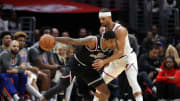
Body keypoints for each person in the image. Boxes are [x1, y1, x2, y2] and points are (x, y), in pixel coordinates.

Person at [41, 31, 117, 101]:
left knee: (106, 92)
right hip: (75, 64)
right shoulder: (92, 41)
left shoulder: (111, 48)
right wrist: (54, 38)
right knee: (61, 87)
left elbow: (110, 61)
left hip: (88, 68)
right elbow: (71, 40)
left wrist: (103, 63)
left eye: (114, 41)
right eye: (111, 42)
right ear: (104, 40)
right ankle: (42, 99)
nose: (113, 44)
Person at [92, 8, 143, 101]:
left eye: (103, 19)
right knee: (100, 86)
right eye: (100, 19)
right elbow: (104, 49)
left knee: (133, 82)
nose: (101, 21)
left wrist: (104, 61)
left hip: (127, 58)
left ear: (109, 17)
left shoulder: (120, 30)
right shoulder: (102, 30)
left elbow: (120, 52)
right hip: (116, 61)